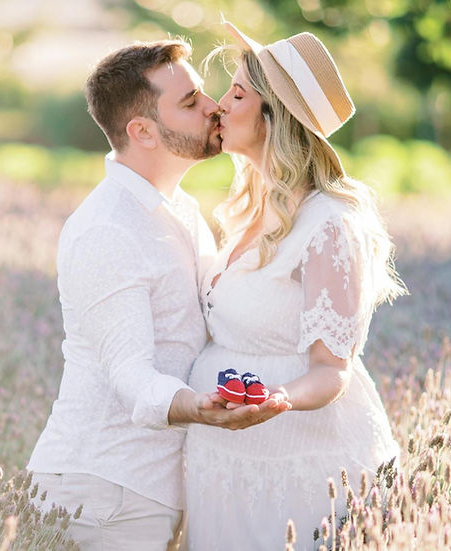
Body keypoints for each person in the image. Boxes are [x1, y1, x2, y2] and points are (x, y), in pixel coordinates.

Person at [25, 39, 292, 551]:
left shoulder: (184, 211)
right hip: (101, 493)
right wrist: (200, 407)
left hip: (149, 490)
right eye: (190, 103)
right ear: (142, 131)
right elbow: (130, 375)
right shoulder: (108, 229)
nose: (213, 106)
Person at [184, 22, 407, 550]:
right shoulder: (250, 211)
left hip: (295, 463)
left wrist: (277, 400)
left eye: (237, 93)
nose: (219, 104)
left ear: (275, 117)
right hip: (224, 463)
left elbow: (333, 370)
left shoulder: (327, 222)